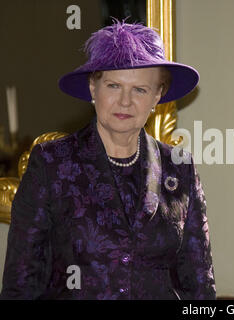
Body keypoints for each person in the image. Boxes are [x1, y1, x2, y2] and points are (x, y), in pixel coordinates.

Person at [1, 20, 215, 300]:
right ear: (93, 88)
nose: (125, 102)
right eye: (114, 86)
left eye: (140, 90)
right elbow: (21, 286)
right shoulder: (51, 165)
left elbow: (199, 286)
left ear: (157, 96)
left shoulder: (180, 168)